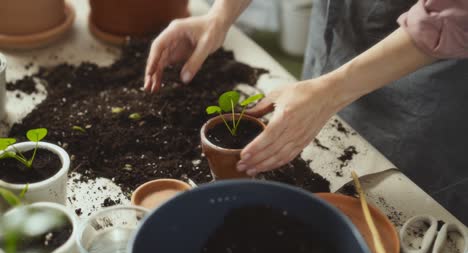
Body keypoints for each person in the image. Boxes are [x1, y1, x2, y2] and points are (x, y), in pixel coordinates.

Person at [144, 0, 468, 223]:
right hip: (339, 43)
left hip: (426, 83)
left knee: (406, 205)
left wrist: (330, 93)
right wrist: (219, 16)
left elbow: (454, 14)